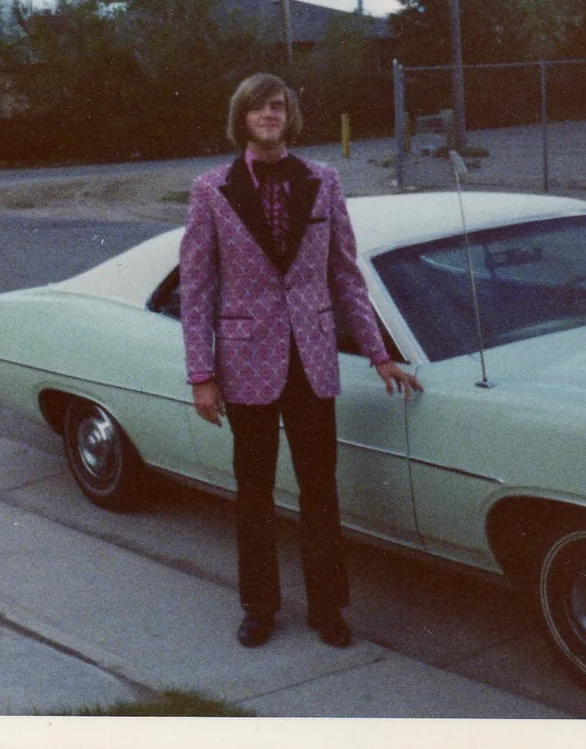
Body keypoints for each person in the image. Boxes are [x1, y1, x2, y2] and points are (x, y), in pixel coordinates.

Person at [180, 73, 422, 649]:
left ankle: (328, 609)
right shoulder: (211, 189)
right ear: (242, 118)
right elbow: (196, 288)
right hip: (245, 366)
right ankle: (259, 607)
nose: (270, 115)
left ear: (290, 119)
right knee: (254, 492)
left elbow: (344, 274)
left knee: (321, 491)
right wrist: (202, 375)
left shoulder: (325, 181)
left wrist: (378, 353)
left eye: (279, 107)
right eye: (259, 108)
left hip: (313, 363)